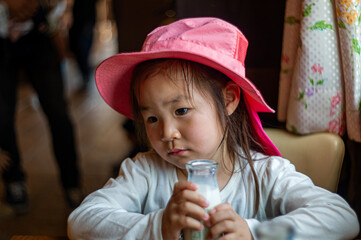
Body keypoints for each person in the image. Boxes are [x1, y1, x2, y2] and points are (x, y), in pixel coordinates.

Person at [67, 18, 359, 239]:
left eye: (181, 111)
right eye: (152, 118)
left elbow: (342, 218)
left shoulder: (267, 175)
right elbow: (81, 221)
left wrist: (255, 233)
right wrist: (159, 225)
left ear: (229, 99)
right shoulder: (144, 172)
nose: (167, 132)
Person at [0, 0, 83, 212]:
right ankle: (14, 181)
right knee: (2, 116)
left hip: (39, 32)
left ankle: (72, 183)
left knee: (58, 112)